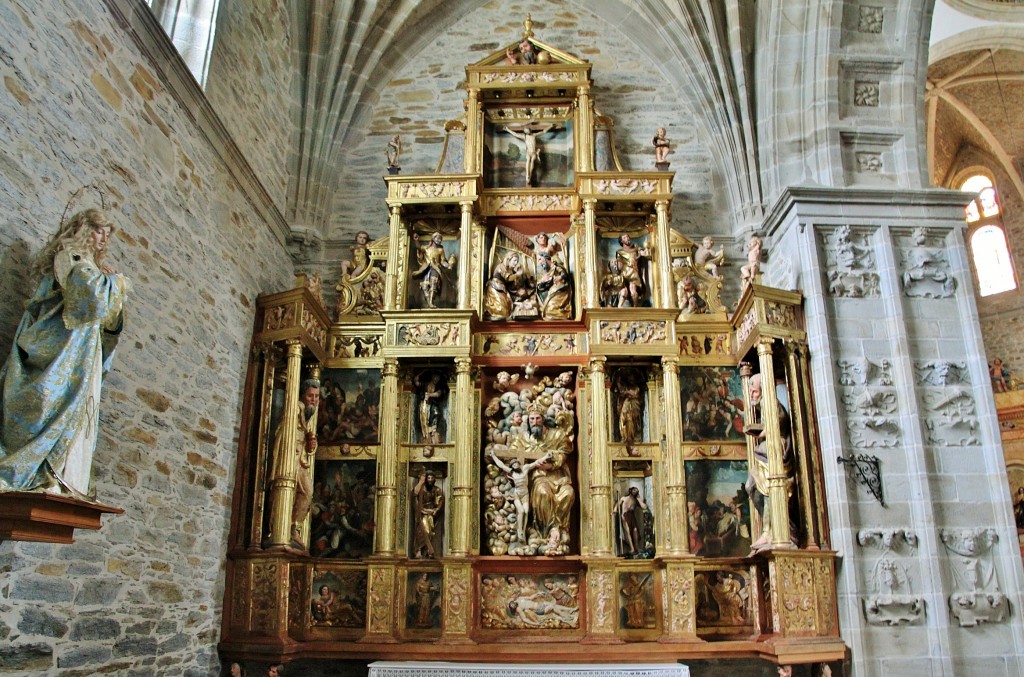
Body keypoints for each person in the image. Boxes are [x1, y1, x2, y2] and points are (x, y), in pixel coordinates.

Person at [0, 208, 130, 497]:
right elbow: (88, 299)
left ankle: (63, 478)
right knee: (51, 399)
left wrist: (109, 286)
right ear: (84, 229)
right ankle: (38, 473)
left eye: (106, 234)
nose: (103, 239)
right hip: (63, 350)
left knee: (78, 409)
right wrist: (114, 282)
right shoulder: (70, 257)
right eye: (99, 231)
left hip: (83, 351)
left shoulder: (90, 266)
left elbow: (107, 318)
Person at [744, 374, 795, 552]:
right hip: (765, 450)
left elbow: (777, 422)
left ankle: (770, 532)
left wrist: (760, 432)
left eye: (754, 390)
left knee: (768, 489)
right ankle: (768, 531)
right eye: (750, 390)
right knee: (752, 486)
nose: (751, 393)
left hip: (774, 448)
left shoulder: (769, 401)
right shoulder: (763, 403)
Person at [270, 379, 320, 546]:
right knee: (285, 491)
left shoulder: (310, 413)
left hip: (301, 460)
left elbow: (309, 440)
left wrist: (311, 445)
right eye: (310, 396)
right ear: (303, 396)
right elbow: (282, 433)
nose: (313, 399)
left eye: (316, 396)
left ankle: (294, 527)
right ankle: (277, 530)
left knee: (307, 492)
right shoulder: (296, 409)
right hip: (288, 459)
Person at [489, 447, 552, 546]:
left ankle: (522, 529)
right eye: (513, 465)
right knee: (521, 511)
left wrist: (546, 456)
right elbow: (500, 465)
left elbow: (536, 463)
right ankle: (519, 532)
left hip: (525, 495)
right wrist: (493, 455)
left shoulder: (525, 468)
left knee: (526, 511)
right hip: (517, 494)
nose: (514, 466)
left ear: (518, 464)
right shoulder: (512, 472)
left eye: (516, 464)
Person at [501, 121, 558, 187]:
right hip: (528, 152)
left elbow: (543, 131)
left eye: (527, 130)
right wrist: (507, 129)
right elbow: (515, 134)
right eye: (525, 130)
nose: (526, 131)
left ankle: (529, 176)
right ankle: (527, 176)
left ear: (529, 130)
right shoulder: (525, 137)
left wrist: (550, 126)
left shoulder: (534, 135)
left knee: (532, 162)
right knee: (528, 161)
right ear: (525, 132)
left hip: (533, 152)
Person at [484, 251, 537, 320]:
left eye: (517, 261)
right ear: (508, 259)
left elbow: (513, 284)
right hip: (495, 288)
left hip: (503, 289)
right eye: (514, 260)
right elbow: (508, 278)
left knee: (507, 308)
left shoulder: (511, 271)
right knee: (501, 310)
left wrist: (520, 278)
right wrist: (518, 274)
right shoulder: (501, 267)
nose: (516, 263)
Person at [410, 232, 456, 308]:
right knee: (424, 286)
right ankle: (429, 303)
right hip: (426, 268)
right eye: (437, 238)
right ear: (433, 239)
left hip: (436, 268)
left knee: (433, 283)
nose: (439, 240)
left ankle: (431, 302)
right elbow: (418, 247)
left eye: (440, 239)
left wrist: (448, 265)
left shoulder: (440, 250)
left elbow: (443, 261)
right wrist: (416, 240)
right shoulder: (426, 248)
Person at [412, 468, 444, 558]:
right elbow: (414, 495)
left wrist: (436, 510)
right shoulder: (421, 489)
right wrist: (420, 482)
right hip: (421, 512)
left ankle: (426, 552)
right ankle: (418, 550)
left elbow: (440, 502)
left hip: (432, 514)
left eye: (431, 478)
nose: (430, 480)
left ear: (434, 479)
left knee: (429, 532)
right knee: (421, 531)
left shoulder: (437, 490)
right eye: (428, 478)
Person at [612, 233, 649, 307]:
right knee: (623, 291)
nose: (627, 238)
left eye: (628, 237)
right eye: (625, 237)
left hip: (634, 272)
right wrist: (616, 265)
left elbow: (641, 251)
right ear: (622, 241)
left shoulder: (635, 247)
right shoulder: (619, 252)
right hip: (625, 272)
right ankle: (619, 308)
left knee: (633, 289)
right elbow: (619, 265)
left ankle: (635, 307)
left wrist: (643, 252)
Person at [536, 256, 572, 320]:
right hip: (553, 290)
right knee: (547, 309)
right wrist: (542, 282)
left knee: (550, 310)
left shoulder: (556, 267)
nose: (539, 263)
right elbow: (545, 285)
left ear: (545, 258)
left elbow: (564, 274)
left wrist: (559, 277)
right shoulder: (549, 272)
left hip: (560, 290)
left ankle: (561, 315)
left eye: (540, 259)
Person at [615, 486, 649, 556]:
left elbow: (644, 507)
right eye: (634, 490)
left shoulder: (636, 500)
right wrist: (615, 509)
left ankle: (636, 547)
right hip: (625, 515)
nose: (635, 492)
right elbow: (617, 504)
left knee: (635, 530)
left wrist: (639, 499)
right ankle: (632, 548)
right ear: (630, 490)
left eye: (636, 491)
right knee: (627, 532)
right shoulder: (624, 498)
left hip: (632, 516)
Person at [415, 371, 446, 444]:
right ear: (432, 377)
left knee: (436, 413)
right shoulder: (425, 384)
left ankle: (433, 430)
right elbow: (417, 383)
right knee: (423, 418)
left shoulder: (439, 386)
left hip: (433, 404)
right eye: (435, 377)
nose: (436, 379)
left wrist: (430, 395)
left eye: (438, 378)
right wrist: (420, 373)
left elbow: (438, 394)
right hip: (424, 404)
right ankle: (425, 434)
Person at [614, 371, 644, 446]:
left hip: (634, 406)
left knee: (632, 421)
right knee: (623, 419)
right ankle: (624, 436)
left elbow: (634, 394)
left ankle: (632, 436)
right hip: (626, 405)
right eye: (629, 379)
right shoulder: (626, 388)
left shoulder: (636, 388)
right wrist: (618, 382)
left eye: (632, 379)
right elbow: (621, 391)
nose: (631, 381)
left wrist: (627, 392)